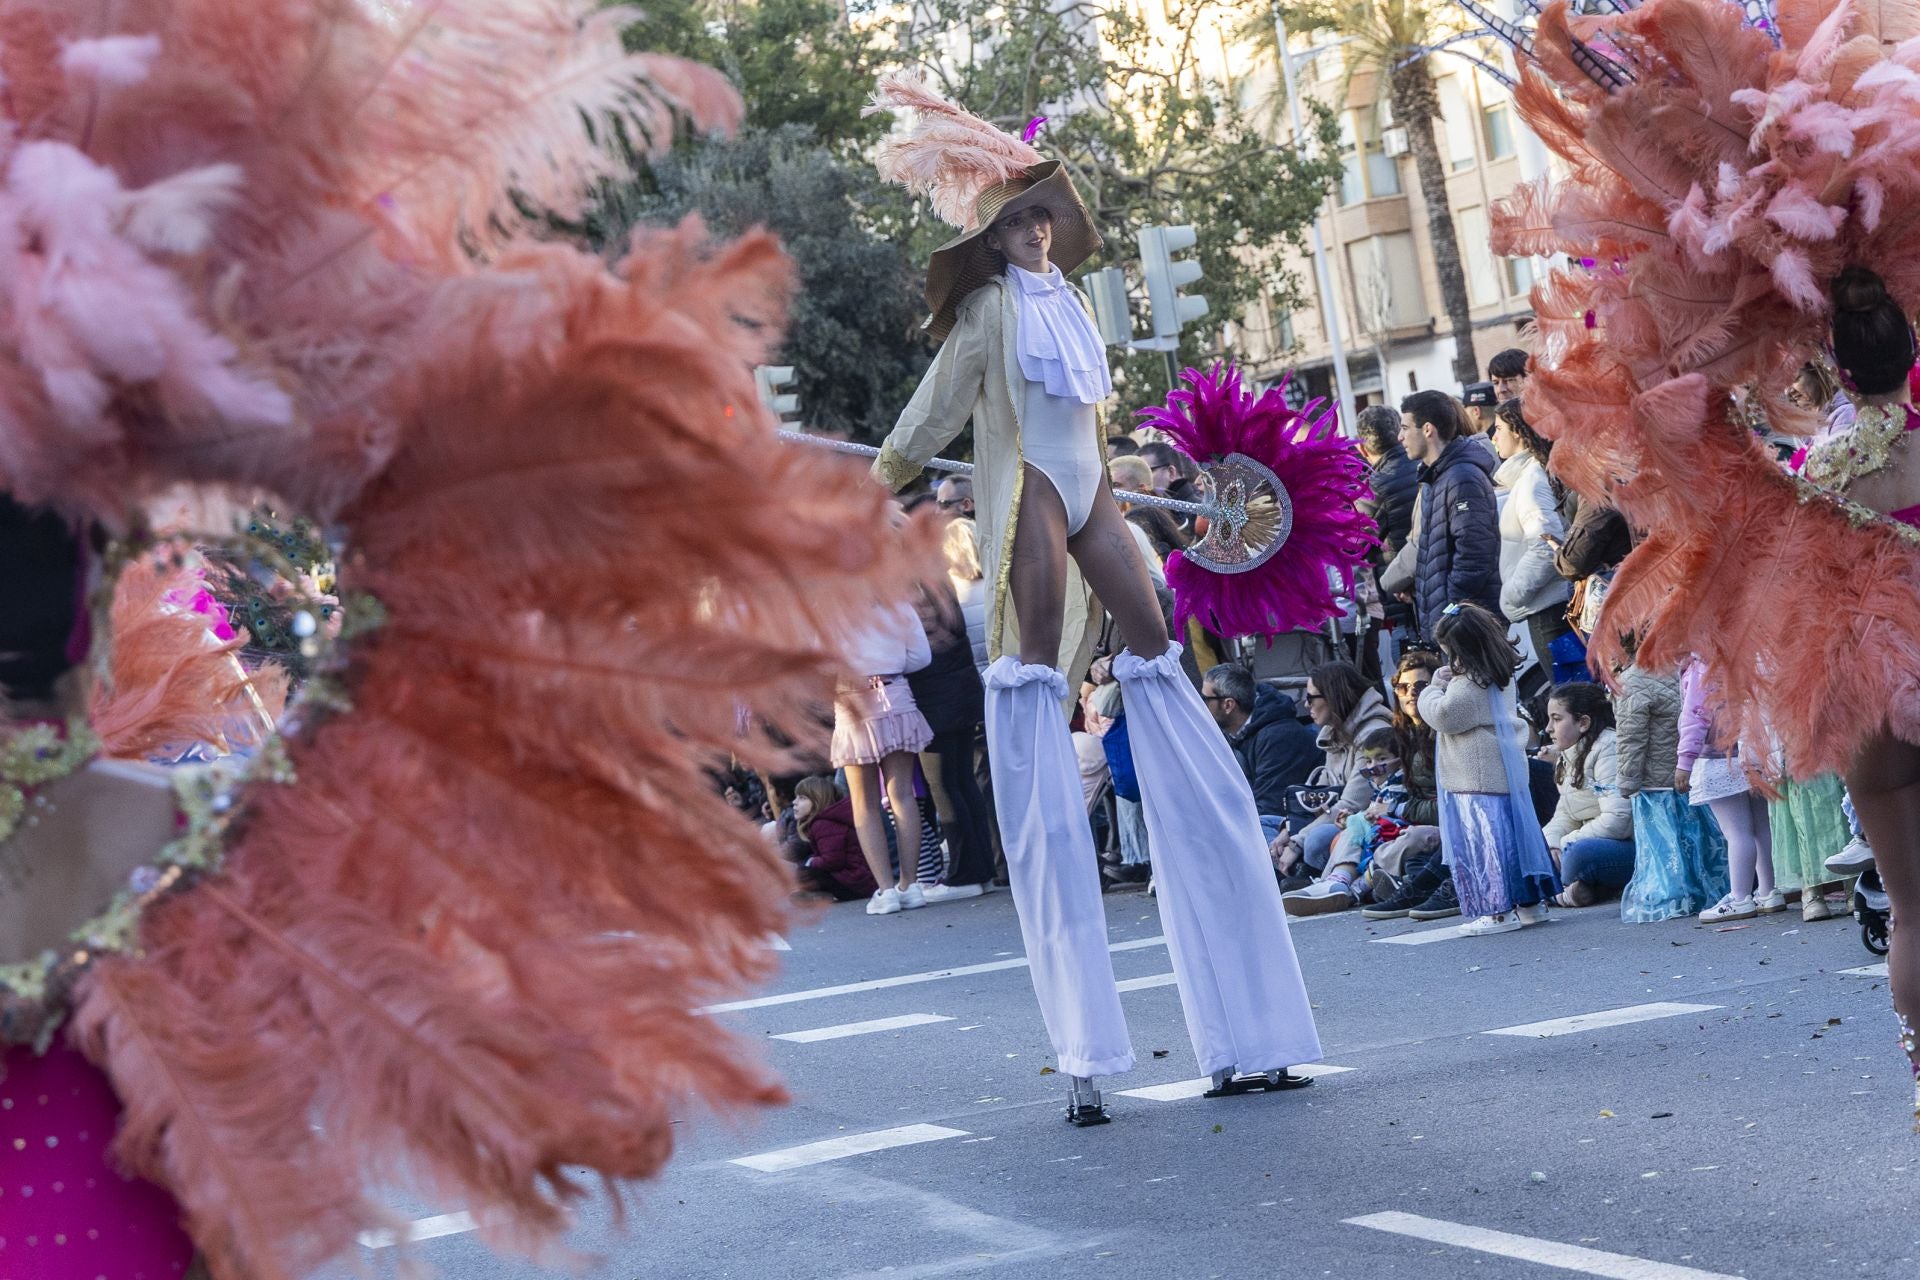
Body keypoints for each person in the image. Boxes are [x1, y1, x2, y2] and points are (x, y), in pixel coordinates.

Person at [867, 74, 1321, 1113]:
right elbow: (931, 415)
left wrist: (1147, 516)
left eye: (1043, 216)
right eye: (1019, 219)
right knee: (1028, 685)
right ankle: (1083, 1055)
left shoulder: (1070, 302)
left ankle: (1249, 1025)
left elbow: (1091, 429)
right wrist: (878, 475)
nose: (1036, 230)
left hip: (1094, 493)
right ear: (993, 236)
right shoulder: (984, 312)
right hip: (1027, 496)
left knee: (1162, 667)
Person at [1418, 603, 1559, 936]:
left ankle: (1496, 910)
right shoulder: (1498, 673)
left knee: (1486, 846)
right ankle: (1530, 903)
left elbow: (1444, 716)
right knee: (1515, 841)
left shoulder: (1468, 685)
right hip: (1502, 771)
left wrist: (1431, 689)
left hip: (1475, 777)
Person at [833, 598, 934, 915]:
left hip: (853, 702)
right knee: (902, 794)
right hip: (896, 693)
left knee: (864, 802)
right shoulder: (896, 603)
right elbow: (921, 656)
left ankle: (886, 891)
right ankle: (911, 885)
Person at [1614, 655, 1729, 923]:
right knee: (1697, 840)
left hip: (1654, 785)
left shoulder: (1632, 681)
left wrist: (1627, 781)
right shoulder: (1681, 669)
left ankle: (1670, 898)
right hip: (1685, 774)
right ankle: (1708, 891)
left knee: (1664, 849)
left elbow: (1631, 738)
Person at [1270, 661, 1395, 888]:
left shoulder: (1372, 732)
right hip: (1337, 816)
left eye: (1311, 698)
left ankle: (1307, 875)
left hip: (1364, 820)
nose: (1305, 704)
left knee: (1316, 839)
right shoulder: (1335, 731)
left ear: (1333, 697)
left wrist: (1296, 842)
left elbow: (1352, 803)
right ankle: (1283, 872)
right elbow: (1320, 794)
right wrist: (1287, 830)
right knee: (1266, 824)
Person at [910, 575, 995, 901]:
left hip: (933, 696)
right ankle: (980, 869)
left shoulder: (909, 586)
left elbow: (915, 650)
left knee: (944, 785)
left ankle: (964, 874)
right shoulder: (935, 579)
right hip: (960, 689)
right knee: (962, 782)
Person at [1677, 658, 1781, 922]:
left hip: (1718, 757)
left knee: (1736, 833)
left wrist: (1684, 761)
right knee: (1760, 828)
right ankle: (1769, 890)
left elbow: (1695, 716)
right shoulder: (1741, 652)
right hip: (1753, 751)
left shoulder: (1700, 666)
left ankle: (1740, 896)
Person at [1400, 390, 1502, 639]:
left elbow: (1474, 552)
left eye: (1405, 427)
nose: (1400, 437)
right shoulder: (1435, 476)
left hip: (1468, 626)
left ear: (1427, 429)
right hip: (1452, 624)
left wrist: (1450, 610)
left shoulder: (1461, 477)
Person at [1362, 649, 1451, 918]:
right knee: (1355, 828)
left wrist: (1399, 809)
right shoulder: (1400, 734)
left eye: (1421, 686)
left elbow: (1449, 803)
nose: (1411, 693)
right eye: (1403, 687)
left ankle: (1368, 885)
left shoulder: (1442, 732)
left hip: (1442, 824)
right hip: (1411, 822)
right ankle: (1339, 885)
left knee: (1412, 839)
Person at [1490, 399, 1575, 672]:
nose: (1494, 437)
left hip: (1548, 609)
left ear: (1517, 431)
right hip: (1550, 603)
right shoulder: (1534, 473)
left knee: (1571, 696)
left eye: (1499, 428)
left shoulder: (1532, 479)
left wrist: (1512, 595)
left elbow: (1546, 544)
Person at [1540, 682, 1634, 907]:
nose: (1548, 728)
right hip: (1585, 839)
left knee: (1577, 855)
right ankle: (1577, 891)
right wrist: (1550, 844)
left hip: (1626, 846)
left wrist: (1566, 843)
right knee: (1534, 851)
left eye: (1557, 719)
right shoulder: (1570, 753)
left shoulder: (1607, 749)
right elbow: (1565, 814)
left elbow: (1619, 820)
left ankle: (1555, 894)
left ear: (1583, 722)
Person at [1202, 662, 1320, 825]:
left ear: (1228, 705)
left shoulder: (1280, 738)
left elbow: (1269, 809)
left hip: (1287, 826)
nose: (1200, 705)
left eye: (1205, 699)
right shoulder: (1233, 733)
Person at [782, 776, 879, 901]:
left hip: (855, 884)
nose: (794, 802)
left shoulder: (823, 824)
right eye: (796, 797)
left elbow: (833, 861)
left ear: (817, 800)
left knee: (804, 872)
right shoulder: (824, 822)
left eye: (802, 798)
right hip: (858, 881)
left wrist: (811, 862)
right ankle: (819, 894)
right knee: (803, 871)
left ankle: (819, 894)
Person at [1460, 381, 1501, 457]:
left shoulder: (1488, 444)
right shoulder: (1506, 433)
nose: (1464, 418)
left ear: (1476, 412)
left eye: (1465, 413)